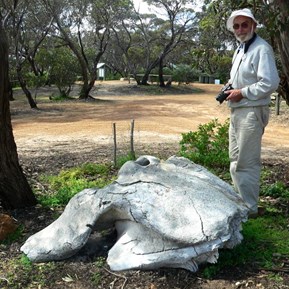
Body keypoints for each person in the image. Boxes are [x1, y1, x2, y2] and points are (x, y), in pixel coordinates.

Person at [224, 8, 280, 217]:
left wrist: (243, 92)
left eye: (244, 25)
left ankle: (250, 209)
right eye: (236, 26)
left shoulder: (261, 49)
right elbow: (242, 77)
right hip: (237, 110)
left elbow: (270, 82)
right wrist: (231, 86)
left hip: (251, 110)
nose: (240, 29)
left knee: (246, 162)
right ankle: (242, 201)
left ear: (254, 26)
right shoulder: (240, 50)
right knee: (234, 159)